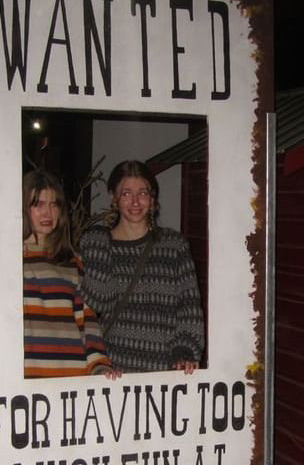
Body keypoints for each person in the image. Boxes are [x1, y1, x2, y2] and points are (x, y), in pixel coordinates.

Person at [80, 160, 204, 374]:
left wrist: (185, 352)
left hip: (164, 371)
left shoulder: (174, 246)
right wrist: (98, 241)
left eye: (143, 193)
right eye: (126, 193)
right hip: (113, 372)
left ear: (152, 198)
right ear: (114, 197)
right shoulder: (99, 245)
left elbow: (189, 306)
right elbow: (99, 302)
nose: (135, 202)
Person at [22, 169, 116, 379]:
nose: (48, 213)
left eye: (54, 204)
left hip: (72, 377)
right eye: (38, 204)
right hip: (27, 378)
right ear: (23, 209)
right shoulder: (9, 261)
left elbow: (87, 320)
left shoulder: (72, 262)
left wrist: (100, 365)